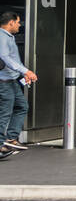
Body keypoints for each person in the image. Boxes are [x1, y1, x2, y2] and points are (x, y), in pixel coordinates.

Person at [0, 11, 37, 157]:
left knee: (22, 106)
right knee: (4, 113)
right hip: (3, 81)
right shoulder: (2, 36)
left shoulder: (9, 37)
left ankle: (11, 138)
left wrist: (23, 73)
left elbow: (14, 59)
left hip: (12, 80)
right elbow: (4, 56)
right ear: (11, 23)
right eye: (18, 22)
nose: (19, 25)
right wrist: (25, 71)